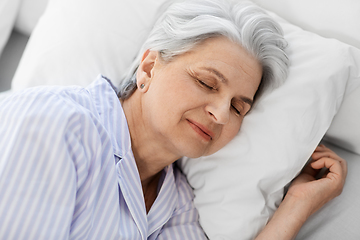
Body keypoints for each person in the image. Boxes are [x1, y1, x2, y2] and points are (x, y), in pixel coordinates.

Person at [0, 0, 346, 239]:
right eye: (206, 83)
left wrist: (296, 206)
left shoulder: (175, 203)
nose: (221, 114)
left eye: (240, 108)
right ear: (149, 66)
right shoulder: (53, 126)